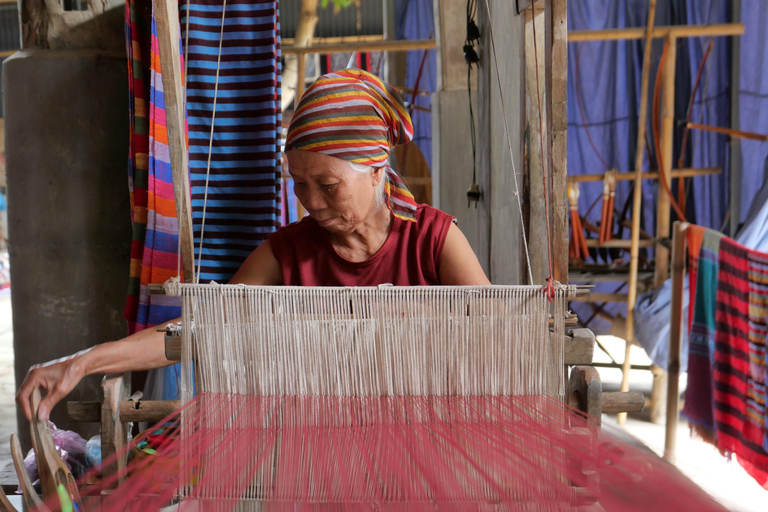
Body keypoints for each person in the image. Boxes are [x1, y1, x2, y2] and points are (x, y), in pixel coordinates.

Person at [17, 69, 490, 421]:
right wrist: (81, 362)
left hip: (426, 436)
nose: (312, 203)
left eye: (328, 185)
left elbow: (498, 335)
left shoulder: (434, 240)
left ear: (376, 168)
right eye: (299, 185)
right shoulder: (287, 251)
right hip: (319, 443)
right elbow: (198, 328)